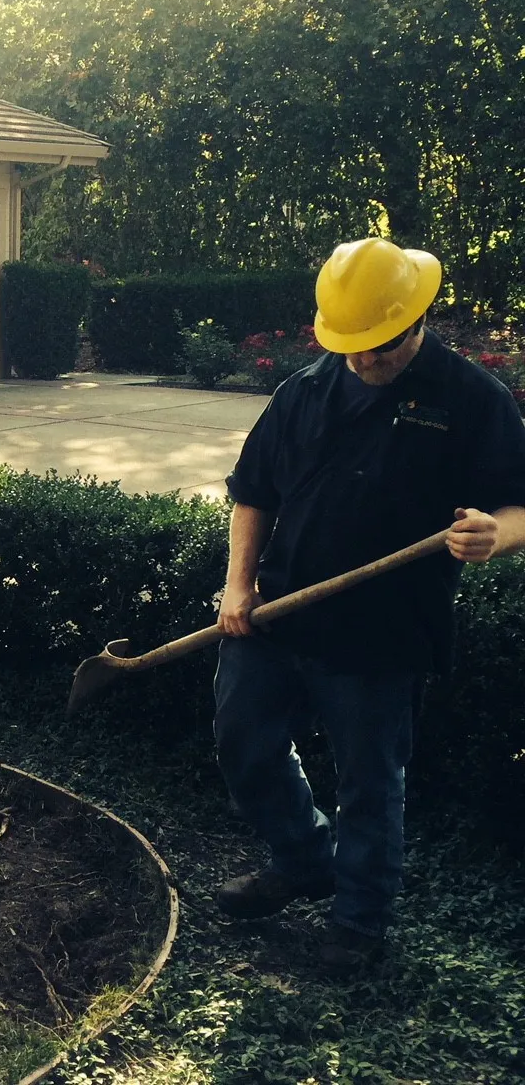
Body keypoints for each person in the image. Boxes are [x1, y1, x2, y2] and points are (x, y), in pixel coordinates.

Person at [213, 236, 525, 973]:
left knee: (370, 781)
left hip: (384, 632)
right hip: (281, 612)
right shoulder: (305, 392)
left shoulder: (471, 399)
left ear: (416, 322)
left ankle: (359, 923)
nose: (363, 361)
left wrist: (497, 534)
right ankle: (302, 858)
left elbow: (519, 508)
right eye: (351, 347)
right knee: (243, 741)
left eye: (379, 348)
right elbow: (253, 493)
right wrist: (239, 586)